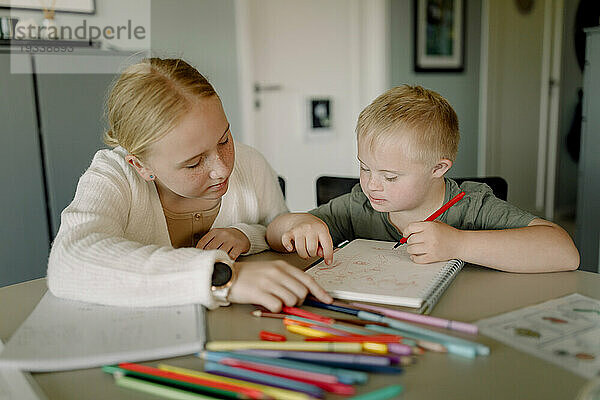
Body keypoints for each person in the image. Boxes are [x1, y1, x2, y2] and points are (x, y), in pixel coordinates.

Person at [47, 58, 332, 310]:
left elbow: (277, 229)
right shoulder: (114, 174)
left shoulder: (251, 163)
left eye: (224, 140)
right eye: (194, 163)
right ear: (142, 166)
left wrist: (251, 234)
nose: (222, 170)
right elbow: (70, 261)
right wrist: (223, 276)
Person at [266, 85, 580, 273]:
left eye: (390, 176)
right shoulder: (358, 205)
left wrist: (459, 243)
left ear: (438, 169)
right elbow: (276, 234)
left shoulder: (471, 206)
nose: (372, 184)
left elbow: (564, 253)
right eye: (365, 168)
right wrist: (294, 226)